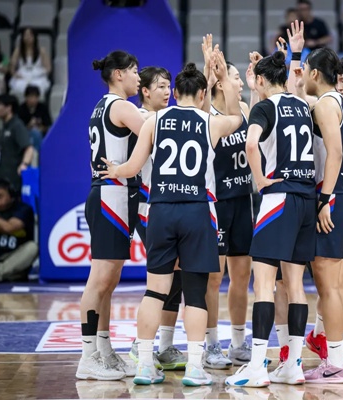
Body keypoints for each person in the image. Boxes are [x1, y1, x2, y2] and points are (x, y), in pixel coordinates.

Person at [100, 52, 244, 386]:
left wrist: (115, 170)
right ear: (203, 94)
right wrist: (222, 78)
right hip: (197, 211)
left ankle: (144, 365)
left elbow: (133, 167)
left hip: (161, 211)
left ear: (175, 93)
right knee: (194, 293)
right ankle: (194, 368)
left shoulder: (154, 120)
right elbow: (237, 116)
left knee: (155, 291)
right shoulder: (210, 122)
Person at [225, 50, 315, 388]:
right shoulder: (301, 105)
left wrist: (260, 179)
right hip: (306, 198)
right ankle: (293, 365)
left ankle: (257, 367)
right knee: (295, 286)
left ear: (261, 80)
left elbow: (251, 145)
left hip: (279, 197)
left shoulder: (264, 108)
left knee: (263, 284)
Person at [75, 50, 147, 381]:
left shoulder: (106, 105)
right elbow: (155, 134)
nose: (139, 77)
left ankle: (104, 350)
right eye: (134, 71)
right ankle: (87, 356)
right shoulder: (121, 106)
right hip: (110, 196)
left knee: (110, 280)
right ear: (119, 74)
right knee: (100, 279)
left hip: (115, 197)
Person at [126, 65, 189, 372]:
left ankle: (164, 346)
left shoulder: (163, 119)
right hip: (150, 208)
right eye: (161, 86)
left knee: (176, 276)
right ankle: (142, 346)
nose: (167, 92)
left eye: (169, 86)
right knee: (161, 279)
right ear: (145, 91)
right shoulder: (144, 119)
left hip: (168, 207)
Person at [300, 47, 343, 383]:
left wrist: (324, 199)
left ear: (316, 73)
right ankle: (339, 359)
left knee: (329, 287)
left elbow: (334, 152)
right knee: (337, 287)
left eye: (306, 68)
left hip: (332, 197)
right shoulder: (339, 102)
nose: (304, 75)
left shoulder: (325, 104)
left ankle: (335, 364)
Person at [204, 60, 255, 369]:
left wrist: (255, 83)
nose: (240, 82)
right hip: (217, 202)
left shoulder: (245, 110)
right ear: (222, 83)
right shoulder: (208, 115)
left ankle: (238, 342)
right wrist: (211, 73)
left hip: (243, 201)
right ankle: (211, 344)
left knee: (242, 276)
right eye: (236, 77)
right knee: (214, 277)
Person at [0, 179, 37, 283]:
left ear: (11, 195)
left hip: (13, 256)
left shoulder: (23, 209)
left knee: (33, 247)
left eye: (0, 197)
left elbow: (9, 227)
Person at [0, 94, 33, 193]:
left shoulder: (17, 126)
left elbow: (29, 148)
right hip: (1, 176)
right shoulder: (4, 128)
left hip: (13, 178)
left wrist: (24, 164)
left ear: (9, 107)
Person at [9, 27, 51, 99]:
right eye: (25, 35)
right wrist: (15, 74)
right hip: (22, 75)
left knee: (37, 87)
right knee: (19, 86)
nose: (28, 38)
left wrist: (39, 74)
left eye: (30, 35)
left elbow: (48, 68)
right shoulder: (18, 50)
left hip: (37, 76)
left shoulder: (41, 50)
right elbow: (12, 67)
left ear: (34, 37)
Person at [18, 85, 52, 153]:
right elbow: (19, 128)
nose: (33, 100)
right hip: (26, 134)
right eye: (31, 97)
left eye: (35, 97)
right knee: (35, 134)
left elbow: (48, 125)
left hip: (42, 133)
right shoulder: (20, 109)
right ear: (26, 97)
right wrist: (29, 125)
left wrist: (40, 127)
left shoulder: (43, 107)